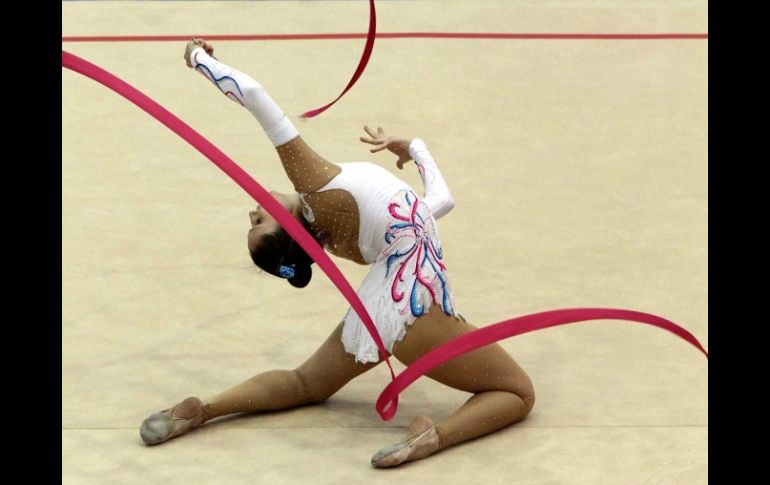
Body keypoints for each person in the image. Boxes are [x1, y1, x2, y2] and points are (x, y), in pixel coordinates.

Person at [140, 38, 535, 468]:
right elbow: (254, 97)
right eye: (258, 223)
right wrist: (199, 59)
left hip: (380, 302)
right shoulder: (314, 182)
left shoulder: (334, 237)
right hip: (415, 304)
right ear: (288, 228)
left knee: (305, 382)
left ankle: (205, 410)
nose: (251, 210)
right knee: (517, 392)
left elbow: (438, 204)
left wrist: (415, 148)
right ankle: (432, 438)